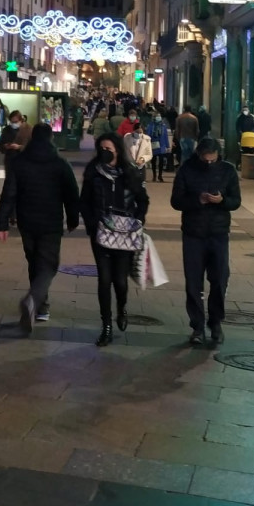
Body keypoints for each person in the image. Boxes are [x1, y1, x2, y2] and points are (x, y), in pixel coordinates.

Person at [0, 123, 80, 333]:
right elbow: (71, 193)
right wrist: (72, 218)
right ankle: (34, 300)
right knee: (49, 264)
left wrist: (2, 223)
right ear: (51, 137)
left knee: (34, 261)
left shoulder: (21, 162)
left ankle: (41, 306)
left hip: (27, 221)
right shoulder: (60, 163)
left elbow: (9, 194)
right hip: (50, 222)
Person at [170, 137, 241, 346]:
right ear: (199, 155)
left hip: (219, 233)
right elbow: (176, 201)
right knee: (193, 282)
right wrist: (197, 200)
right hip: (193, 234)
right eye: (205, 160)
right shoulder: (187, 170)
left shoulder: (228, 171)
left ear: (218, 155)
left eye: (213, 160)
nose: (209, 163)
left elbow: (236, 201)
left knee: (219, 279)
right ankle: (197, 326)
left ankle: (216, 322)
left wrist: (222, 201)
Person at [81, 133, 149, 346]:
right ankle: (106, 325)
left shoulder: (130, 173)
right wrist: (92, 223)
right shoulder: (93, 172)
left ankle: (121, 307)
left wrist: (137, 220)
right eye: (101, 148)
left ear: (117, 150)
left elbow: (142, 200)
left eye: (108, 148)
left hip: (125, 235)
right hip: (100, 233)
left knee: (120, 280)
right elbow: (84, 201)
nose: (104, 151)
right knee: (104, 279)